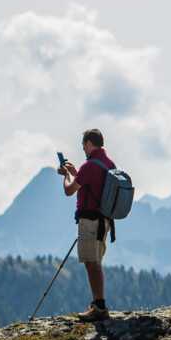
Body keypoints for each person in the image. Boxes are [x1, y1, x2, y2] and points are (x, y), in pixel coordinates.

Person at [57, 128, 115, 321]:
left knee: (91, 263)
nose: (83, 149)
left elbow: (69, 190)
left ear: (89, 143)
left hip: (89, 221)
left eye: (83, 145)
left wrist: (66, 175)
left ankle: (99, 306)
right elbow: (93, 184)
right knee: (96, 262)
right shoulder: (108, 163)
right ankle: (98, 303)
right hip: (103, 222)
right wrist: (76, 172)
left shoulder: (89, 166)